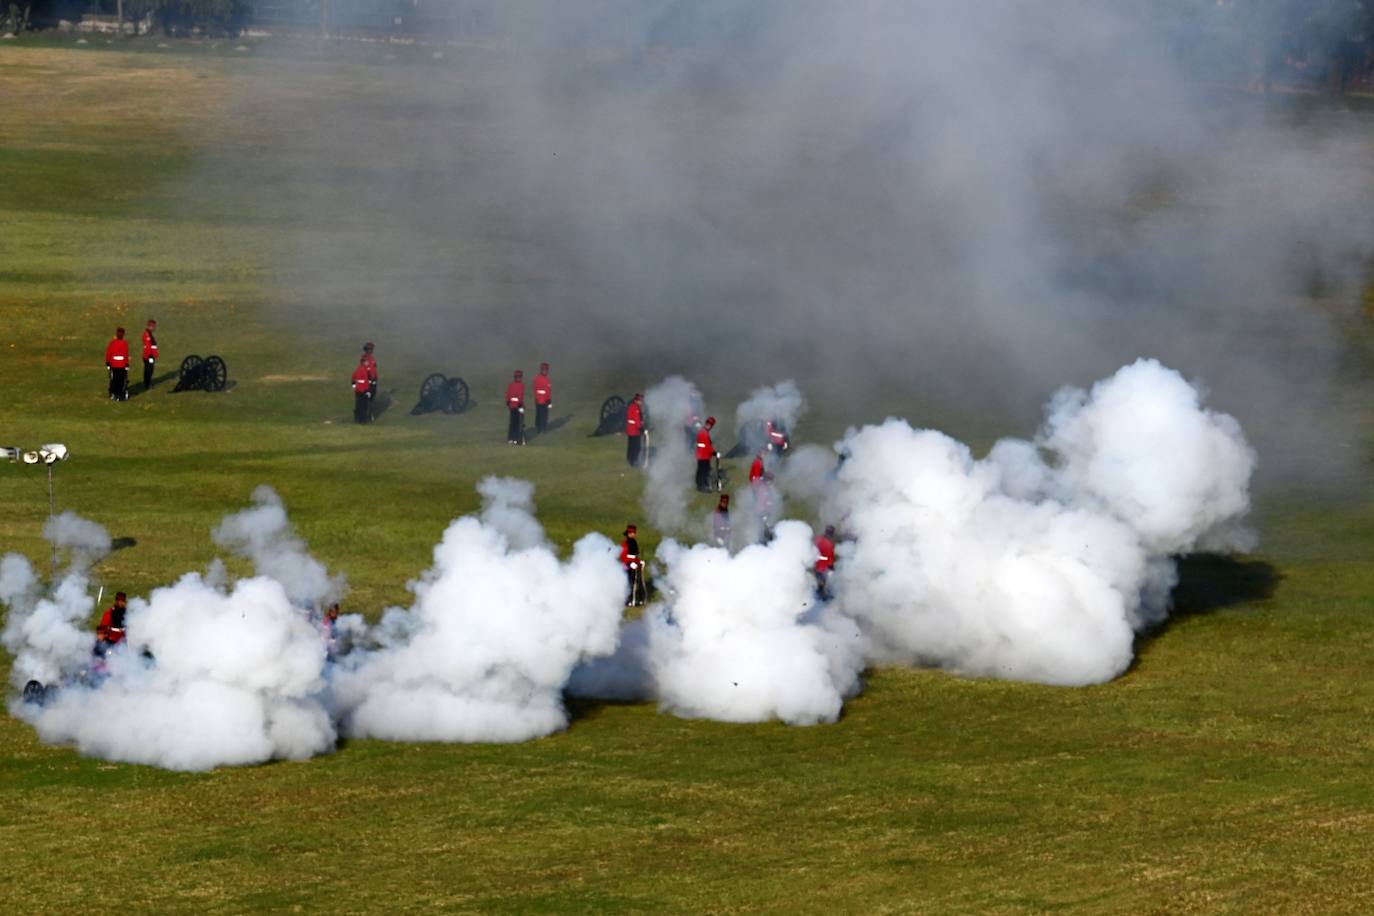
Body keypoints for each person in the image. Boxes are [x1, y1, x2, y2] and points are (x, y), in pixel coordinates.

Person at [94, 591, 129, 657]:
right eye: (119, 600)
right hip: (111, 640)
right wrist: (102, 636)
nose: (120, 603)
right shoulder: (109, 613)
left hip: (123, 641)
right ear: (116, 601)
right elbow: (102, 627)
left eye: (122, 601)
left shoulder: (127, 613)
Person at [620, 524, 646, 607]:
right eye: (630, 533)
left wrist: (639, 562)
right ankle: (628, 600)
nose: (632, 534)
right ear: (627, 534)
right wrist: (630, 563)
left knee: (638, 582)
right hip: (627, 566)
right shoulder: (625, 544)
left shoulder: (634, 542)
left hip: (635, 564)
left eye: (633, 533)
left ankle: (638, 599)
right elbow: (623, 556)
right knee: (629, 583)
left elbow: (634, 556)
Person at [105, 327, 130, 401]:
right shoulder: (124, 343)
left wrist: (108, 363)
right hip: (121, 365)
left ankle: (114, 393)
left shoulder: (112, 343)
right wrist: (126, 364)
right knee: (120, 380)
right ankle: (118, 394)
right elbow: (125, 354)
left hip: (114, 364)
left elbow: (108, 353)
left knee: (114, 379)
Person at [695, 416, 718, 492]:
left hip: (701, 454)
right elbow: (707, 446)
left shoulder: (702, 431)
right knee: (704, 471)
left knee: (701, 471)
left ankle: (699, 485)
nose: (710, 427)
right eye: (710, 425)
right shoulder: (704, 433)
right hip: (703, 455)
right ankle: (703, 486)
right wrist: (715, 453)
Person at [814, 525, 837, 599]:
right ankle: (822, 598)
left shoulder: (819, 539)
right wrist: (829, 563)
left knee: (822, 583)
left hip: (820, 566)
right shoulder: (828, 543)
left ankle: (821, 596)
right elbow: (829, 557)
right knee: (823, 584)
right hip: (824, 566)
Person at [505, 370, 526, 444]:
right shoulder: (521, 385)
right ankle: (515, 438)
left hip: (512, 406)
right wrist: (520, 404)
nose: (519, 378)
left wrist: (508, 401)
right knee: (517, 423)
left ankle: (511, 438)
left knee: (512, 423)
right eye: (519, 377)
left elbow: (508, 395)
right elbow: (520, 396)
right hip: (517, 407)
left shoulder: (511, 385)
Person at [625, 393, 644, 467]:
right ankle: (634, 462)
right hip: (634, 431)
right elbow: (636, 420)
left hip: (632, 431)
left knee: (631, 446)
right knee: (636, 447)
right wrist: (641, 428)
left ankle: (630, 459)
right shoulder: (634, 408)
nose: (641, 402)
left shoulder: (635, 407)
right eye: (640, 400)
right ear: (636, 401)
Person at [351, 355, 372, 424]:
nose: (368, 363)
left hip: (359, 390)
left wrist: (354, 385)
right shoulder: (363, 370)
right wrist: (367, 391)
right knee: (363, 406)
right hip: (362, 391)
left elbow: (353, 377)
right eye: (367, 362)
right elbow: (364, 382)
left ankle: (358, 419)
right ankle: (362, 420)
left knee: (359, 405)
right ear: (363, 362)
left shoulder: (360, 369)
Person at [533, 362, 552, 434]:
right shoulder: (537, 379)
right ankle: (538, 428)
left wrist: (549, 400)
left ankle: (543, 428)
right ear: (541, 370)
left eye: (546, 370)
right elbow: (536, 389)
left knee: (545, 415)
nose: (545, 371)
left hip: (545, 400)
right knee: (539, 415)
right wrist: (538, 398)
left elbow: (548, 391)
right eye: (544, 370)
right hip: (539, 400)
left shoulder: (547, 379)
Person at [141, 319, 159, 391]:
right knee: (149, 370)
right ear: (150, 326)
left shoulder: (149, 333)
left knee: (149, 370)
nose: (155, 328)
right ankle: (147, 385)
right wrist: (150, 356)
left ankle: (147, 383)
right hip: (149, 355)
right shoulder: (147, 334)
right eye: (154, 327)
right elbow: (148, 346)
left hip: (151, 355)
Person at [362, 343, 379, 417]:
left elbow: (374, 367)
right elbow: (366, 369)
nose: (371, 350)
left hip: (373, 380)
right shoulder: (364, 358)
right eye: (370, 349)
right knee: (367, 399)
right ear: (366, 350)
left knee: (372, 398)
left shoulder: (372, 358)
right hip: (368, 381)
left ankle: (370, 414)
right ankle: (366, 414)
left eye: (372, 349)